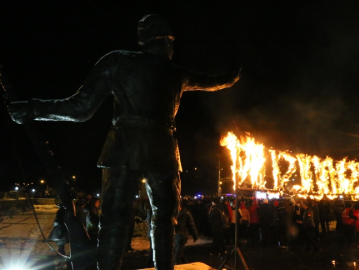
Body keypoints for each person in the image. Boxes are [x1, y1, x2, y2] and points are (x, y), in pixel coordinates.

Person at [8, 14, 240, 270]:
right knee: (164, 221)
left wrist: (33, 108)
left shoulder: (118, 61)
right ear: (164, 41)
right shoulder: (175, 73)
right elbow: (214, 82)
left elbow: (80, 108)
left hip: (124, 149)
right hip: (162, 151)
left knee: (115, 221)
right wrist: (232, 76)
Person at [174, 200, 198, 265]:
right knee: (179, 254)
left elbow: (191, 224)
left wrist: (195, 235)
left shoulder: (186, 213)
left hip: (181, 236)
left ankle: (177, 267)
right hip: (175, 236)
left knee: (177, 256)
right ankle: (187, 264)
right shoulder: (173, 213)